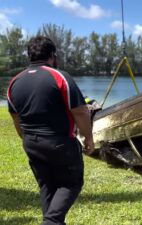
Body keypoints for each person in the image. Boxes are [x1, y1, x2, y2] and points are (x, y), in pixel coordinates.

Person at [7, 36, 94, 225]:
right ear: (52, 55)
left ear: (30, 56)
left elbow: (16, 117)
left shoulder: (15, 81)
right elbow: (80, 111)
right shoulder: (59, 76)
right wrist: (89, 138)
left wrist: (26, 137)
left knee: (47, 185)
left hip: (31, 142)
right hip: (59, 143)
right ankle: (51, 222)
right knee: (71, 183)